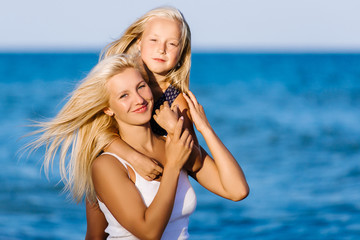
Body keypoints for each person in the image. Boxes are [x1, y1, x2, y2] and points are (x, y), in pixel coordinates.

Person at [29, 54, 249, 239]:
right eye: (124, 95)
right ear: (108, 108)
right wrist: (172, 166)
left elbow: (237, 190)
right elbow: (148, 233)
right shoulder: (106, 164)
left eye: (141, 87)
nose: (139, 99)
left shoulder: (174, 143)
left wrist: (205, 129)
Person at [99, 6, 202, 182]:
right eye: (154, 40)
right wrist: (133, 157)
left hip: (148, 186)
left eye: (172, 43)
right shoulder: (118, 77)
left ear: (181, 51)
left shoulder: (175, 101)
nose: (162, 49)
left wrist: (174, 130)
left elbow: (196, 164)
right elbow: (94, 133)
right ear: (139, 42)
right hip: (109, 176)